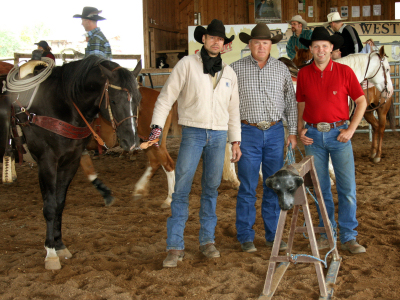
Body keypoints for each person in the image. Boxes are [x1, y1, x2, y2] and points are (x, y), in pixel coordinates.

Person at [149, 19, 242, 268]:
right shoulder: (187, 65)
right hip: (193, 132)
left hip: (219, 135)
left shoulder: (229, 73)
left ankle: (207, 241)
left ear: (224, 45)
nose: (215, 41)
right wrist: (156, 130)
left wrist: (235, 141)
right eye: (211, 37)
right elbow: (165, 98)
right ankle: (175, 245)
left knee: (211, 189)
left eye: (220, 39)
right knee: (181, 189)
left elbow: (234, 110)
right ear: (203, 39)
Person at [296, 27, 367, 254]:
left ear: (332, 48)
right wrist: (300, 128)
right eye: (316, 46)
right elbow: (301, 103)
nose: (320, 50)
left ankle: (348, 236)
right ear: (310, 49)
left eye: (325, 46)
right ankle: (327, 233)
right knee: (320, 188)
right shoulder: (305, 73)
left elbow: (361, 101)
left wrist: (351, 129)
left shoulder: (345, 72)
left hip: (339, 134)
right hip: (313, 137)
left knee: (346, 187)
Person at [230, 23, 297, 253]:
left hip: (276, 132)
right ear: (249, 44)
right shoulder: (235, 69)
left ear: (271, 45)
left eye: (265, 43)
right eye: (257, 42)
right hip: (247, 131)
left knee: (274, 185)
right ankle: (246, 236)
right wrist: (233, 138)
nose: (261, 46)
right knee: (247, 185)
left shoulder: (281, 70)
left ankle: (272, 236)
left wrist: (293, 132)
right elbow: (227, 104)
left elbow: (290, 102)